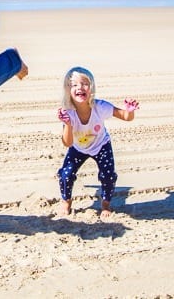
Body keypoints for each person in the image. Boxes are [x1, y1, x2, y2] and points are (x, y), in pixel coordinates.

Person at [56, 66, 139, 220]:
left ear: (92, 87)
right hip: (77, 147)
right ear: (67, 90)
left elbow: (126, 117)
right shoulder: (68, 112)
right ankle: (66, 201)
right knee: (65, 174)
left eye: (84, 83)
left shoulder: (100, 107)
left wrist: (130, 110)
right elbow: (67, 143)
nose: (80, 87)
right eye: (74, 85)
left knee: (108, 175)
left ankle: (106, 204)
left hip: (101, 145)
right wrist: (67, 124)